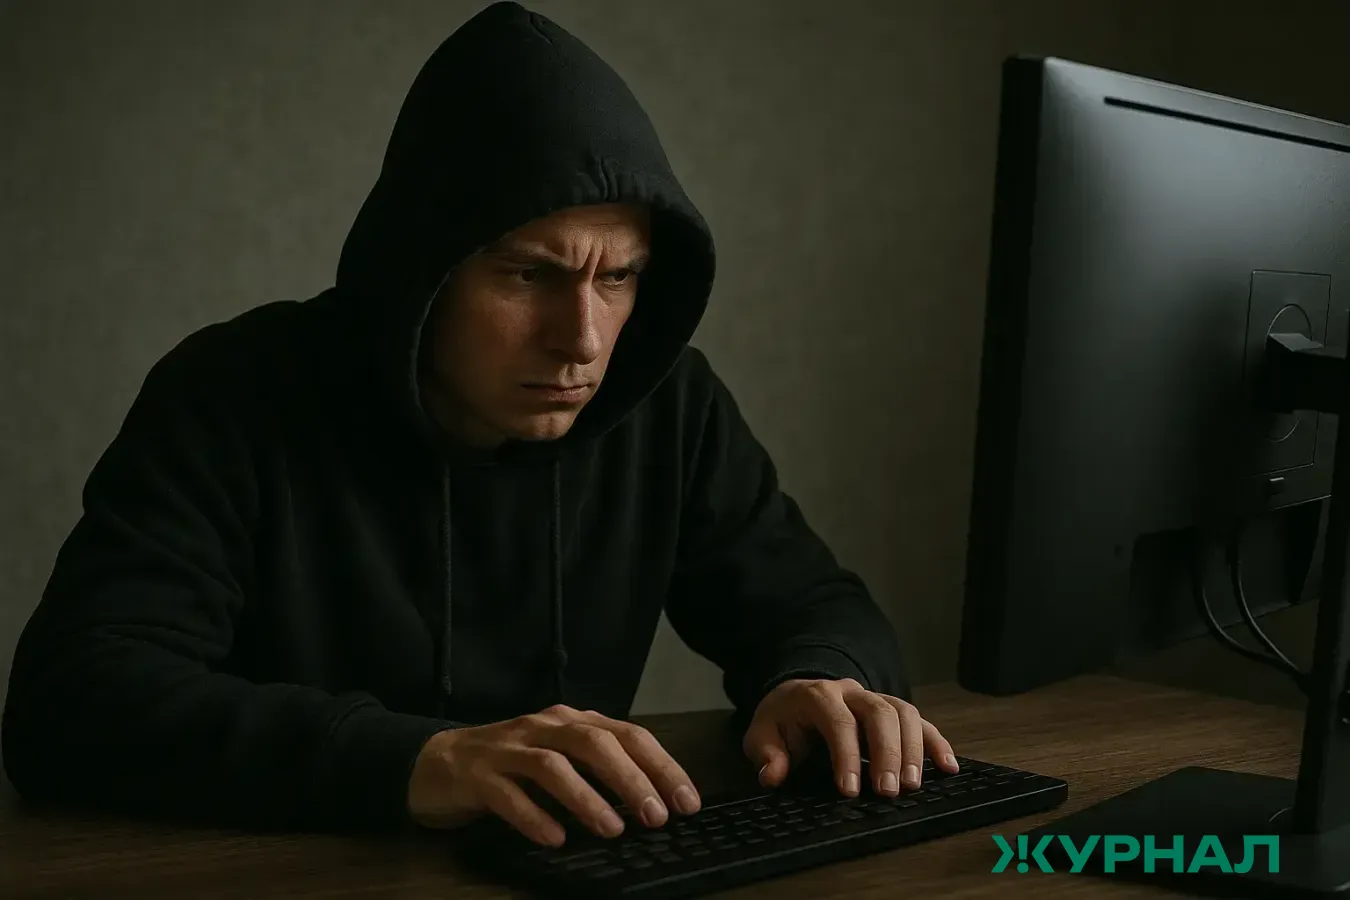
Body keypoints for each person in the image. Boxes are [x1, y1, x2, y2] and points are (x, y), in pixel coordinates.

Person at [1, 1, 957, 848]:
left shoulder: (669, 406)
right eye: (529, 274)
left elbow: (818, 606)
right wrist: (418, 761)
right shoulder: (233, 395)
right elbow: (74, 699)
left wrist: (818, 680)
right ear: (424, 270)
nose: (583, 339)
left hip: (574, 873)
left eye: (618, 277)